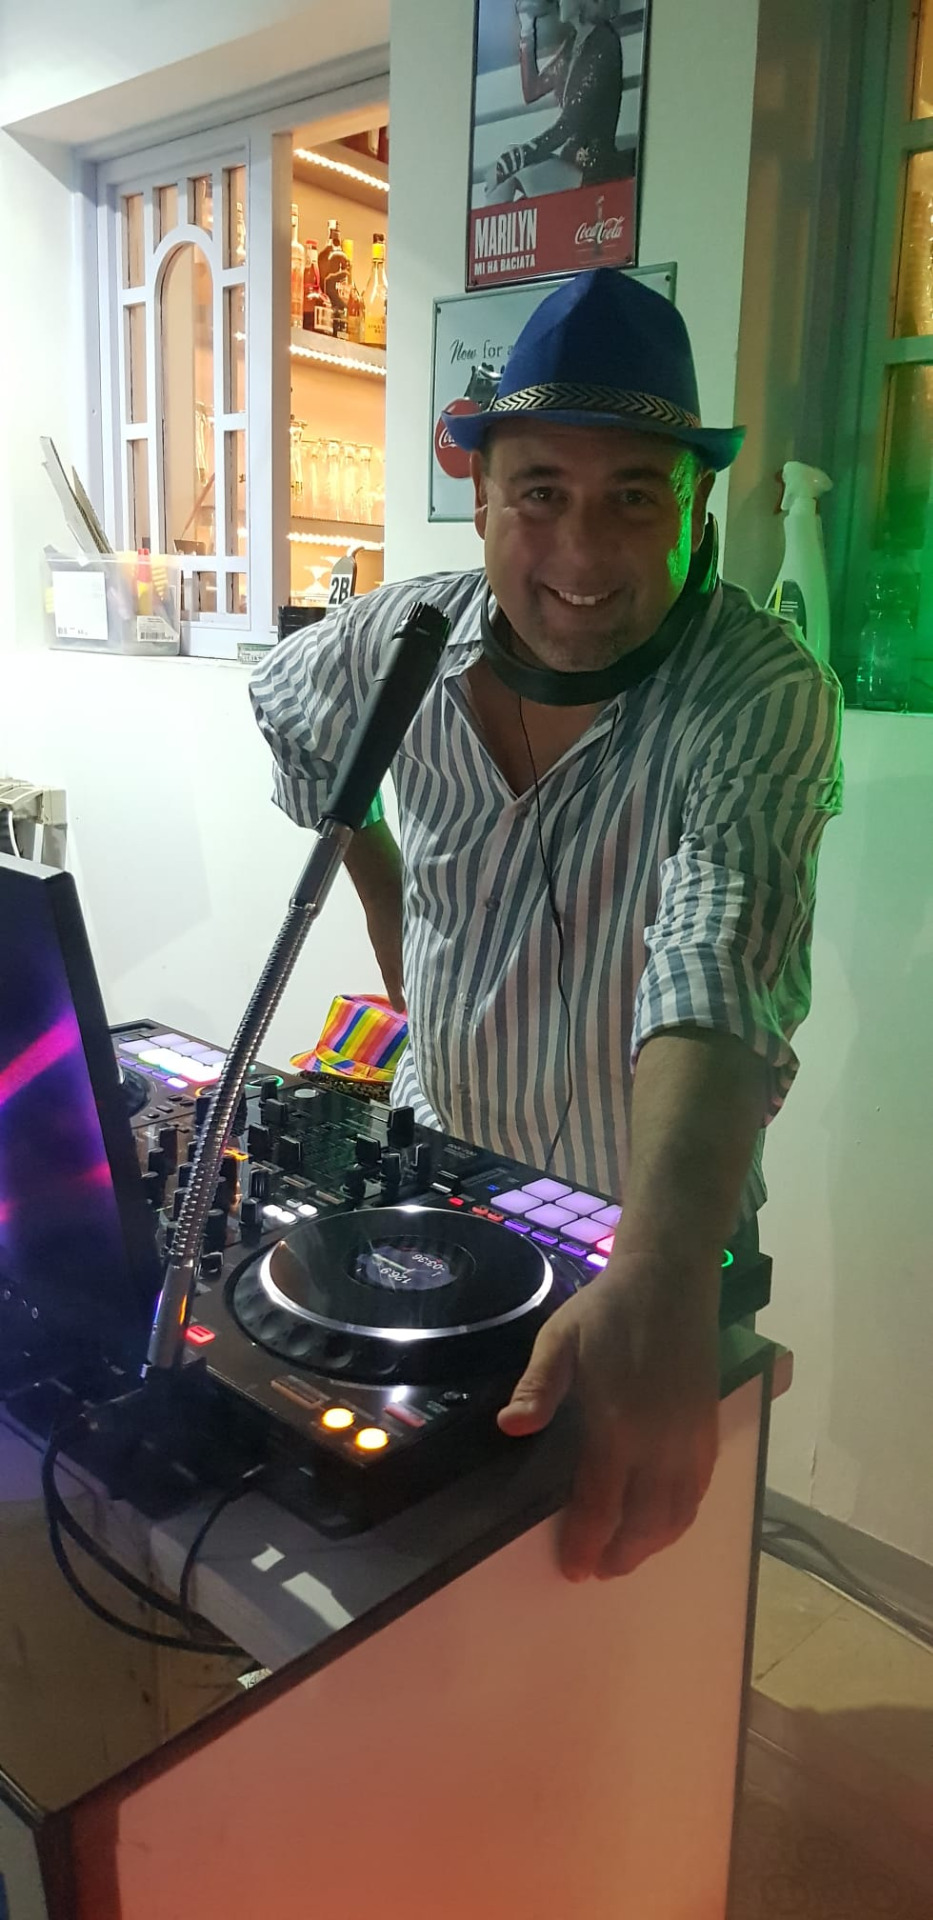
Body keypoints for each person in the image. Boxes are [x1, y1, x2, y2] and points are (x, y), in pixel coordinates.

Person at [251, 269, 843, 1583]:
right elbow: (289, 710)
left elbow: (718, 951)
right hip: (433, 1193)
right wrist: (388, 901)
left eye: (633, 497)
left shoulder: (762, 689)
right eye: (539, 494)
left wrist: (663, 1276)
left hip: (651, 1242)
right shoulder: (397, 639)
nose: (580, 554)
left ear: (696, 507)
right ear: (479, 496)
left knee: (635, 1611)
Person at [487, 0, 626, 204]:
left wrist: (520, 156)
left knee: (518, 172)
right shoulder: (574, 42)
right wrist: (527, 28)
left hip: (594, 171)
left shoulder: (604, 43)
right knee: (504, 165)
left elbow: (568, 125)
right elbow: (532, 90)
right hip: (570, 163)